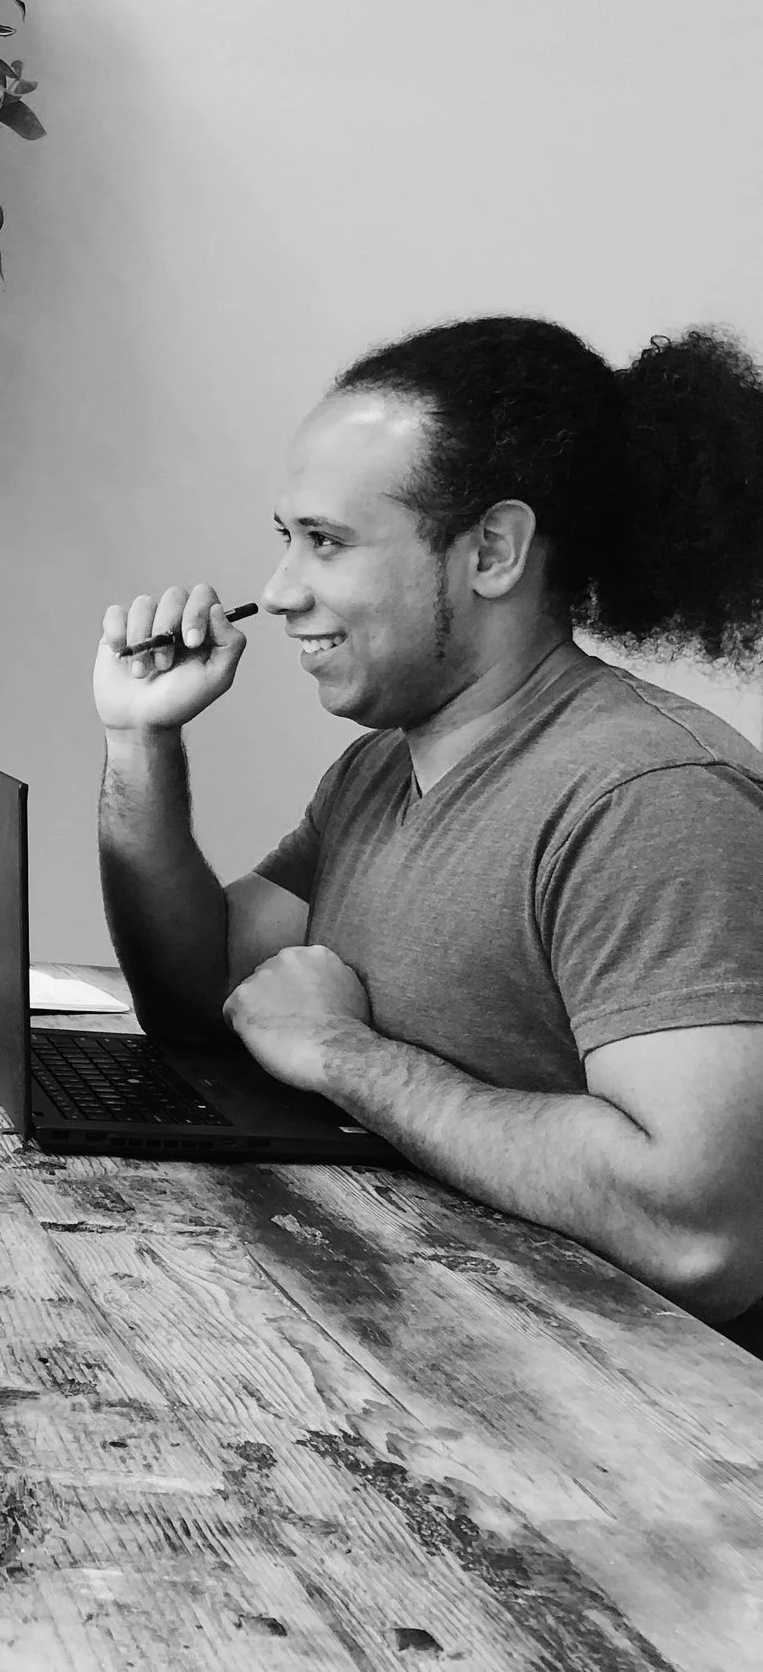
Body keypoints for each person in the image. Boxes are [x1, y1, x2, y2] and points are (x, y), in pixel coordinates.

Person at [94, 316, 763, 1343]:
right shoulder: (377, 770)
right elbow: (205, 997)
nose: (277, 594)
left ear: (490, 550)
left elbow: (704, 1237)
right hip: (410, 1349)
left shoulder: (653, 798)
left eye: (326, 542)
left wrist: (346, 1055)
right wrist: (138, 742)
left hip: (617, 1448)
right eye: (286, 540)